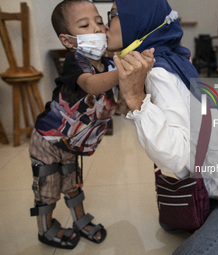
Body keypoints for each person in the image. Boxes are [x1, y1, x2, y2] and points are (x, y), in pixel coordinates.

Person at [106, 0, 218, 254]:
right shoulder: (166, 57)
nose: (105, 25)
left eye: (112, 15)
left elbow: (177, 157)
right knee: (170, 223)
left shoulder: (158, 74)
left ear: (136, 19)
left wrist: (137, 102)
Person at [29, 0, 154, 249]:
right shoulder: (76, 61)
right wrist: (124, 70)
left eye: (99, 21)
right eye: (85, 25)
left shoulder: (109, 64)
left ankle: (80, 219)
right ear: (68, 41)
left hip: (72, 144)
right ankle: (45, 228)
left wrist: (138, 78)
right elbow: (90, 85)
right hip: (49, 139)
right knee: (48, 187)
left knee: (73, 183)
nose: (97, 28)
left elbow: (118, 102)